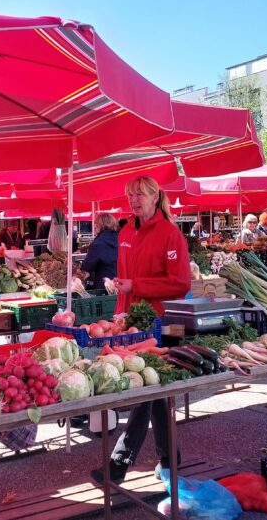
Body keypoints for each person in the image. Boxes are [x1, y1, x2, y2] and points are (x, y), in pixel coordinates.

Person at [92, 176, 190, 486]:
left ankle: (119, 463)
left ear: (154, 196)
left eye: (140, 195)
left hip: (162, 323)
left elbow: (180, 283)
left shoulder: (170, 234)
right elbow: (126, 279)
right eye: (130, 195)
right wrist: (119, 312)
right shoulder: (125, 231)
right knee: (154, 391)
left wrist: (138, 286)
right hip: (131, 322)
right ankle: (170, 460)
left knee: (147, 390)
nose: (134, 200)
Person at [81, 213, 119, 290]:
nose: (95, 227)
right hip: (121, 283)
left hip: (104, 285)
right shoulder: (122, 238)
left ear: (100, 225)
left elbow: (87, 266)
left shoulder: (98, 243)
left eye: (96, 225)